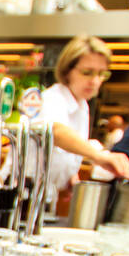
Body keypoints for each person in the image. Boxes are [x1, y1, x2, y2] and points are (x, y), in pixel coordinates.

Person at [39, 34, 113, 208]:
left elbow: (64, 153)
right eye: (87, 72)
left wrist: (70, 175)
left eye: (102, 74)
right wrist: (98, 156)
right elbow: (56, 132)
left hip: (47, 199)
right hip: (19, 196)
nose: (94, 81)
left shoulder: (82, 107)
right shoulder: (53, 98)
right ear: (67, 71)